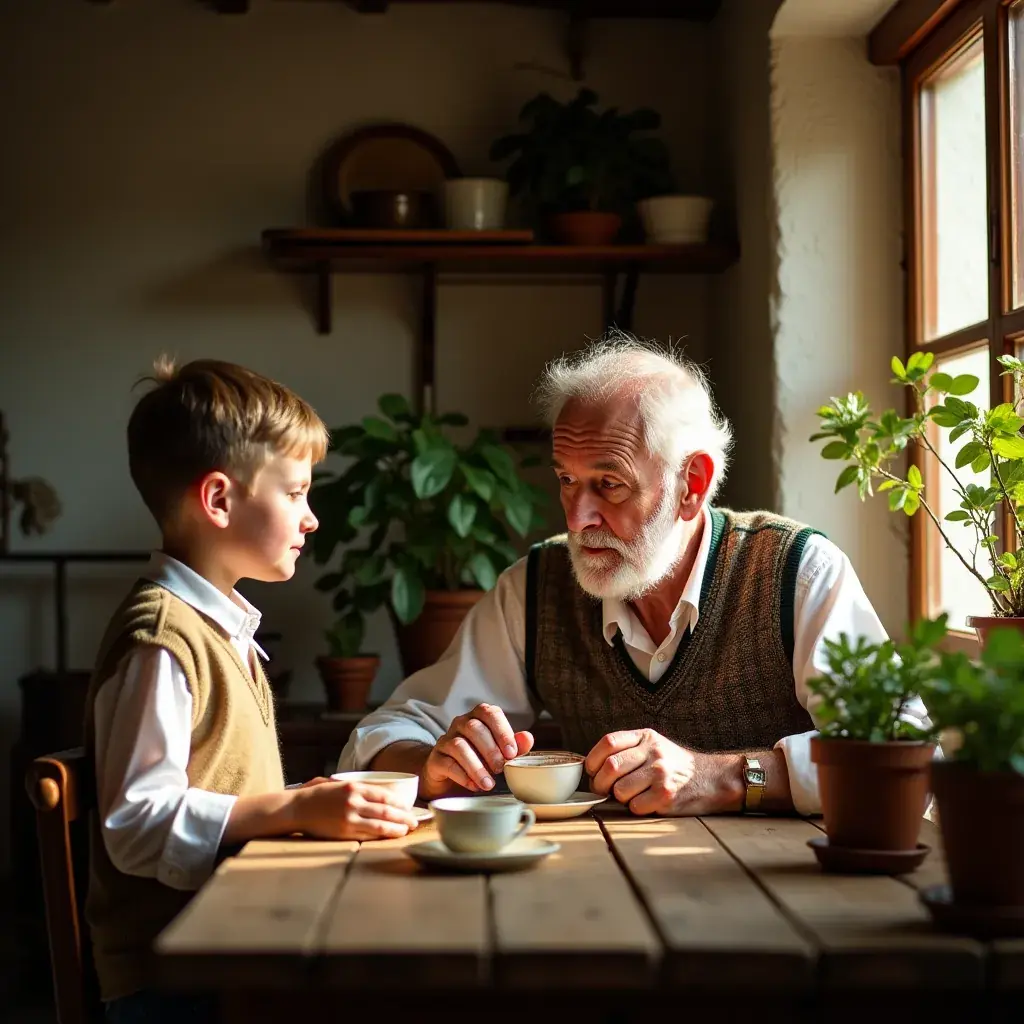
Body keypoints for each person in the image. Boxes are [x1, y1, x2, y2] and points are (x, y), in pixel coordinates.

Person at [339, 333, 929, 817]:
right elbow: (384, 731)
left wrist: (724, 775)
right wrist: (432, 765)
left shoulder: (796, 572)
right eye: (566, 479)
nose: (577, 518)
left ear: (691, 485)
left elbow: (903, 753)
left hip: (786, 901)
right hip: (601, 894)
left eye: (609, 484)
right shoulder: (537, 587)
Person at [86, 358, 418, 1024]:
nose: (311, 518)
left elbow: (223, 791)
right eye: (296, 492)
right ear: (218, 500)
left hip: (233, 944)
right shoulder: (162, 639)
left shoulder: (220, 626)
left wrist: (304, 800)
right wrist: (286, 814)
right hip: (176, 977)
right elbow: (136, 824)